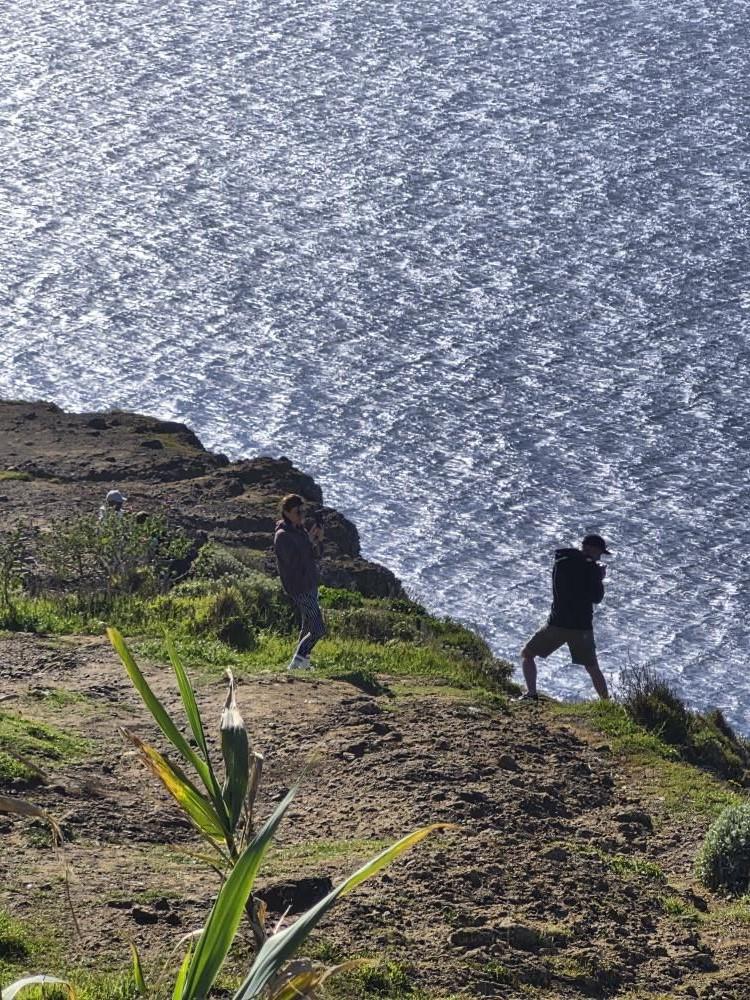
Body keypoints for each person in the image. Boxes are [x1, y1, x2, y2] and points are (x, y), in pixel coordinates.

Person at [520, 534, 611, 701]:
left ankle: (531, 694)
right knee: (592, 668)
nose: (600, 556)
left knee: (528, 654)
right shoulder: (590, 568)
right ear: (592, 549)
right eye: (599, 552)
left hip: (557, 623)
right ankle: (607, 704)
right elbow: (596, 597)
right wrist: (599, 577)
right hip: (582, 628)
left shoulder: (561, 561)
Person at [274, 494, 326, 670]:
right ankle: (299, 659)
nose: (301, 516)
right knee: (318, 629)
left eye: (303, 511)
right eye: (298, 512)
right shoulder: (282, 536)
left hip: (310, 583)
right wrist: (308, 542)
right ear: (287, 513)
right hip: (299, 587)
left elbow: (314, 555)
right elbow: (293, 563)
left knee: (308, 626)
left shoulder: (300, 531)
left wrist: (316, 541)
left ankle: (300, 663)